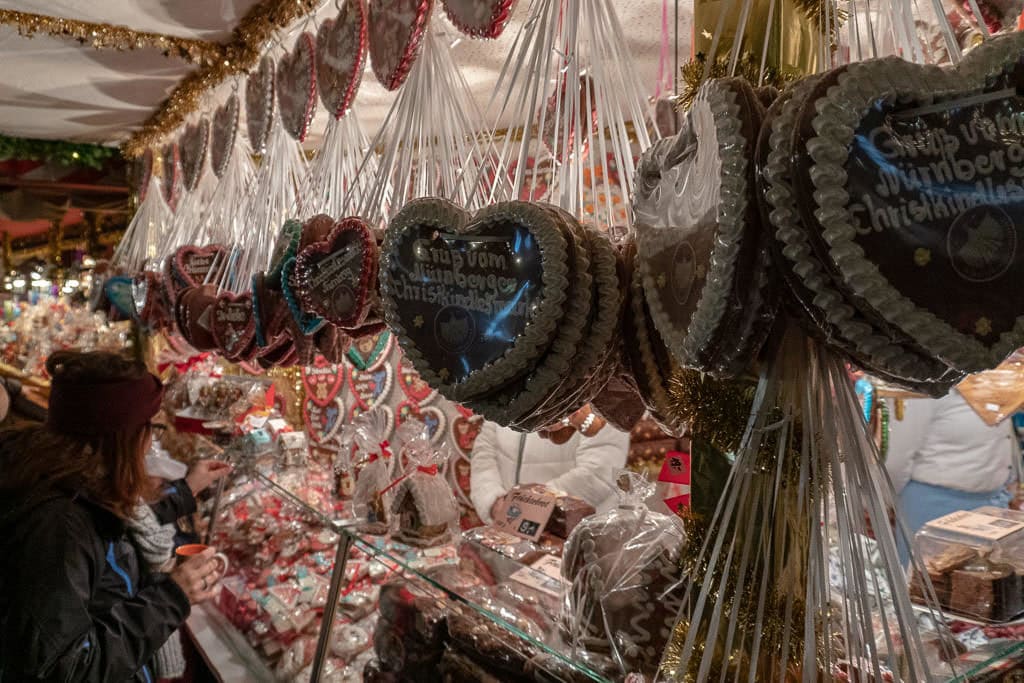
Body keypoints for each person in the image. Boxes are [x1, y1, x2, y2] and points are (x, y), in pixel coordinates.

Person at [0, 351, 231, 682]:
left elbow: (122, 523)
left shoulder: (74, 482)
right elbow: (62, 669)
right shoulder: (59, 527)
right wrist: (172, 596)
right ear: (126, 437)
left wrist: (184, 491)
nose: (152, 441)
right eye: (151, 428)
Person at [886, 389, 1016, 563]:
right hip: (932, 508)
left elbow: (1002, 437)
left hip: (990, 508)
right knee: (927, 585)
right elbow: (896, 458)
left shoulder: (991, 380)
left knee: (983, 585)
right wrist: (884, 501)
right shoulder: (923, 382)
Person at [470, 404, 629, 523]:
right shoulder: (514, 384)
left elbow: (599, 472)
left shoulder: (599, 387)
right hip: (507, 530)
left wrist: (524, 509)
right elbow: (485, 448)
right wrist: (493, 501)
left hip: (571, 535)